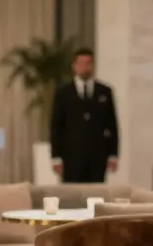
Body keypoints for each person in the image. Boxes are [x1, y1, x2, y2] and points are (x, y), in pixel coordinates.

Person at [50, 48, 119, 183]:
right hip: (71, 156)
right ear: (74, 66)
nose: (85, 67)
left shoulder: (104, 91)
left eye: (88, 63)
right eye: (81, 64)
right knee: (72, 197)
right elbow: (56, 126)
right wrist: (56, 157)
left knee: (96, 195)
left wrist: (113, 155)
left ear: (93, 66)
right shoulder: (63, 93)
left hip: (98, 156)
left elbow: (112, 125)